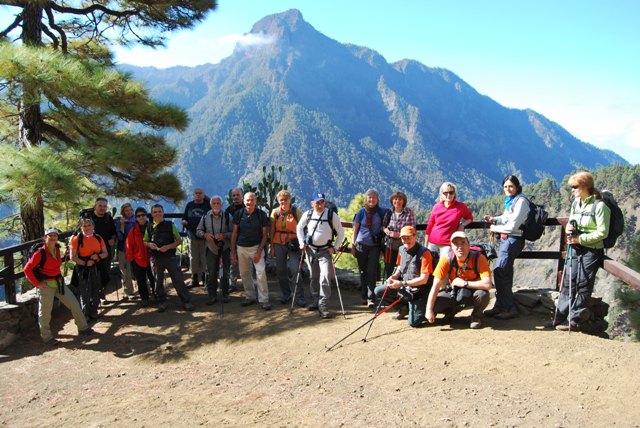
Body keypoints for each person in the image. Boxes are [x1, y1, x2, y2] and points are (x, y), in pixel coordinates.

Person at [550, 171, 610, 331]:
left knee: (583, 284)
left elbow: (603, 232)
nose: (572, 190)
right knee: (568, 282)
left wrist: (580, 239)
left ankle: (574, 320)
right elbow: (573, 220)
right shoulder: (577, 203)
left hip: (591, 250)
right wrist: (570, 227)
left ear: (584, 186)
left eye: (574, 187)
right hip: (575, 247)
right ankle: (559, 318)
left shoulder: (600, 206)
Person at [24, 228, 94, 345]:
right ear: (45, 238)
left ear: (57, 238)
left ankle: (83, 327)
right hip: (46, 286)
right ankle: (47, 337)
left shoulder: (56, 249)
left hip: (59, 283)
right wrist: (37, 284)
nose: (52, 238)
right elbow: (27, 269)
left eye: (55, 236)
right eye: (50, 235)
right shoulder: (39, 253)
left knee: (74, 303)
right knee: (45, 312)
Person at [482, 175, 530, 320]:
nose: (508, 189)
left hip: (513, 239)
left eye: (510, 186)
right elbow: (507, 217)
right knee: (504, 272)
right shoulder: (512, 201)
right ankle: (500, 305)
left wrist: (494, 228)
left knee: (500, 271)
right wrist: (495, 220)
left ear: (517, 187)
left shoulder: (521, 201)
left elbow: (513, 225)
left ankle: (509, 307)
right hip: (507, 240)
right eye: (505, 187)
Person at [426, 231, 492, 329]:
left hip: (475, 290)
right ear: (451, 247)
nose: (459, 246)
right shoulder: (446, 259)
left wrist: (464, 283)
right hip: (455, 292)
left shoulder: (479, 258)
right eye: (456, 244)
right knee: (436, 303)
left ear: (468, 244)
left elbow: (488, 285)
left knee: (482, 295)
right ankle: (451, 312)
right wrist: (429, 310)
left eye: (463, 243)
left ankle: (476, 316)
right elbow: (435, 286)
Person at [296, 192, 345, 319]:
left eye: (322, 202)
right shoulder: (308, 214)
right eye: (317, 202)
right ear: (312, 203)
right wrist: (301, 242)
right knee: (313, 277)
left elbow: (341, 232)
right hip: (311, 251)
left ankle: (323, 305)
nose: (320, 204)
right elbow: (299, 228)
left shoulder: (331, 215)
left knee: (325, 277)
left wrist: (335, 248)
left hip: (325, 251)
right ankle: (315, 299)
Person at [374, 226, 433, 327]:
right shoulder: (401, 249)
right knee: (379, 291)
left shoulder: (425, 253)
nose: (406, 241)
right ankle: (404, 308)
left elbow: (424, 279)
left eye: (408, 237)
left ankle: (423, 308)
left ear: (415, 237)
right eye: (403, 238)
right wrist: (395, 276)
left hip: (419, 291)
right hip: (405, 288)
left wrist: (401, 283)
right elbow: (400, 266)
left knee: (414, 323)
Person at [144, 204, 195, 312]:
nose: (157, 214)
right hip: (156, 258)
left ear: (163, 213)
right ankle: (161, 302)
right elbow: (145, 241)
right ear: (152, 214)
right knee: (158, 281)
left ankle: (186, 301)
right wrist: (149, 245)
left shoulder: (170, 225)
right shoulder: (149, 226)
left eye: (159, 211)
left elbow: (179, 240)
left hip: (170, 256)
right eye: (155, 212)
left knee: (178, 279)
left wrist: (168, 247)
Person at [230, 192, 271, 310]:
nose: (250, 202)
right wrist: (233, 252)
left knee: (260, 272)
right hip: (241, 247)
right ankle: (250, 296)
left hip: (256, 247)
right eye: (247, 200)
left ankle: (264, 299)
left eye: (252, 200)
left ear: (255, 201)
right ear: (244, 201)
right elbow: (234, 233)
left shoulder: (261, 215)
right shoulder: (238, 214)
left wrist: (259, 252)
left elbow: (264, 235)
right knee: (244, 273)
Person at [351, 189, 389, 308]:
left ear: (377, 199)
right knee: (363, 272)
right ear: (366, 199)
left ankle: (371, 297)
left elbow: (394, 211)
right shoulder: (361, 213)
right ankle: (364, 296)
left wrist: (408, 211)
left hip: (374, 246)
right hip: (361, 245)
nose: (371, 199)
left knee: (372, 271)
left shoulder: (382, 212)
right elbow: (355, 230)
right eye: (369, 197)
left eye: (374, 197)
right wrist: (353, 246)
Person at [270, 190, 305, 306]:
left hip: (293, 244)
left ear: (290, 200)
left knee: (295, 269)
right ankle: (286, 294)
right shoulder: (275, 213)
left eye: (286, 199)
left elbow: (304, 226)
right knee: (281, 270)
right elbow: (271, 230)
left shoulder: (296, 212)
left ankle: (300, 296)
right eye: (281, 200)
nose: (283, 202)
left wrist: (302, 243)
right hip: (278, 243)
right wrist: (271, 246)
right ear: (278, 201)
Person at [69, 218, 109, 321]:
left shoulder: (98, 238)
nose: (87, 228)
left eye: (89, 225)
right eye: (84, 226)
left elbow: (105, 253)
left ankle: (94, 311)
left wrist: (98, 257)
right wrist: (85, 263)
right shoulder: (76, 239)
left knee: (96, 288)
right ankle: (85, 314)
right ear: (81, 227)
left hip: (96, 266)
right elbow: (72, 257)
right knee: (85, 290)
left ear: (93, 226)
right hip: (83, 268)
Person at [197, 195, 233, 305]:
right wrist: (204, 234)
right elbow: (198, 230)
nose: (216, 205)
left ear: (222, 205)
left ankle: (225, 294)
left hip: (225, 248)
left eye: (218, 203)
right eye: (214, 203)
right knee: (211, 272)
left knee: (225, 272)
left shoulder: (228, 216)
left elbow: (234, 233)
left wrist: (225, 235)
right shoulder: (205, 217)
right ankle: (212, 295)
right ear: (211, 205)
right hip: (211, 248)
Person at [424, 182, 473, 259]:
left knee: (444, 266)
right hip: (433, 242)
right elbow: (430, 226)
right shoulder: (436, 207)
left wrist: (462, 225)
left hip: (448, 243)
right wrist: (426, 244)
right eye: (445, 193)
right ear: (441, 194)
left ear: (454, 194)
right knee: (430, 266)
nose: (448, 195)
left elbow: (470, 218)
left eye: (451, 192)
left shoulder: (460, 207)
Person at [87, 197, 117, 302]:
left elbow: (113, 232)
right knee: (92, 274)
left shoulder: (108, 218)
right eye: (100, 206)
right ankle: (93, 297)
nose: (102, 208)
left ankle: (102, 295)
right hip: (90, 252)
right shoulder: (88, 218)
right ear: (95, 206)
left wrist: (112, 239)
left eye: (104, 206)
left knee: (105, 273)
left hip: (105, 251)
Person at [126, 207, 156, 307]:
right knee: (141, 279)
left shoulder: (153, 227)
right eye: (138, 216)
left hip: (151, 257)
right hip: (138, 258)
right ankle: (144, 298)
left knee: (153, 278)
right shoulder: (133, 231)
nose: (141, 217)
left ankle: (157, 295)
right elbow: (129, 246)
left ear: (146, 216)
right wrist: (131, 260)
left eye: (143, 215)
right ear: (136, 218)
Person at [381, 191, 416, 278]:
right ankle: (389, 288)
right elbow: (383, 225)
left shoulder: (408, 214)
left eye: (400, 199)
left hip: (403, 245)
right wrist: (386, 231)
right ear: (392, 201)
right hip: (389, 245)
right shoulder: (389, 212)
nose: (397, 201)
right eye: (395, 199)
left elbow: (412, 230)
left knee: (402, 267)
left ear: (404, 201)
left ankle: (399, 288)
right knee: (389, 267)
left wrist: (399, 234)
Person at [182, 187, 209, 288]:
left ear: (204, 195)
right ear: (193, 195)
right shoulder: (189, 205)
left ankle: (205, 278)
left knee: (204, 258)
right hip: (192, 236)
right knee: (193, 258)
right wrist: (184, 222)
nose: (198, 195)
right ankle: (194, 279)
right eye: (196, 193)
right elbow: (184, 217)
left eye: (200, 193)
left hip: (204, 236)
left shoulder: (207, 205)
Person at [116, 203, 136, 300]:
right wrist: (122, 225)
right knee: (126, 271)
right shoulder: (119, 221)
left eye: (130, 209)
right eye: (126, 210)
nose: (129, 212)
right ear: (123, 212)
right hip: (123, 249)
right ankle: (129, 292)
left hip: (136, 249)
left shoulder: (136, 220)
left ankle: (143, 289)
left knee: (138, 269)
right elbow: (120, 237)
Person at [225, 187, 245, 292]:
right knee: (233, 262)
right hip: (232, 240)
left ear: (242, 196)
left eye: (238, 195)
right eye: (233, 195)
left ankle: (248, 285)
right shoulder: (229, 210)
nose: (236, 197)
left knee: (247, 264)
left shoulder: (248, 207)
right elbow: (225, 225)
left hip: (246, 240)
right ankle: (232, 284)